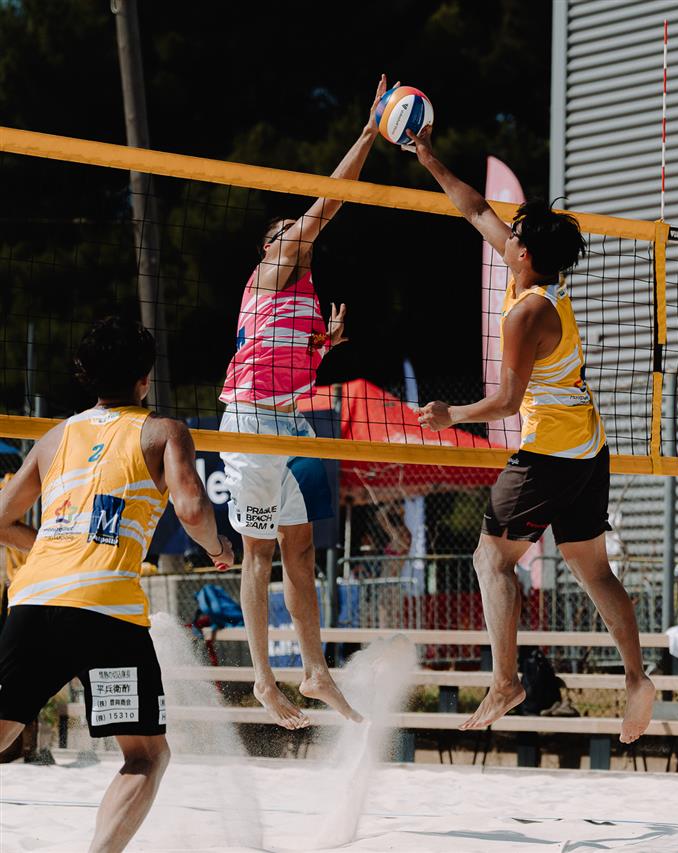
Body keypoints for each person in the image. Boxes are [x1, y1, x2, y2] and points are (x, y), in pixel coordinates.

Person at [405, 123, 655, 743]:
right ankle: (636, 679)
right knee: (594, 570)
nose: (507, 233)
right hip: (587, 447)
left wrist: (451, 415)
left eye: (515, 234)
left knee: (490, 558)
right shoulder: (538, 281)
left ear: (523, 254)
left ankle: (505, 681)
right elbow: (475, 209)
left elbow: (507, 402)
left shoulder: (528, 313)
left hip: (550, 454)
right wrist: (428, 157)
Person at [0, 317, 232, 853]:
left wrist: (52, 548)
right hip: (105, 612)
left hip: (33, 601)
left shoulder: (54, 436)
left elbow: (0, 518)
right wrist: (220, 550)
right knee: (146, 755)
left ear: (86, 375)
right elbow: (192, 510)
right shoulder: (164, 431)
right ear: (144, 380)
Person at [218, 76, 390, 728]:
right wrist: (368, 131)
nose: (297, 233)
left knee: (301, 549)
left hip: (285, 421)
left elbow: (283, 360)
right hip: (251, 424)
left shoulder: (303, 297)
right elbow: (331, 200)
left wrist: (323, 347)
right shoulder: (273, 267)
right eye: (287, 230)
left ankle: (315, 670)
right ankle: (264, 680)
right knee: (258, 553)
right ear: (271, 247)